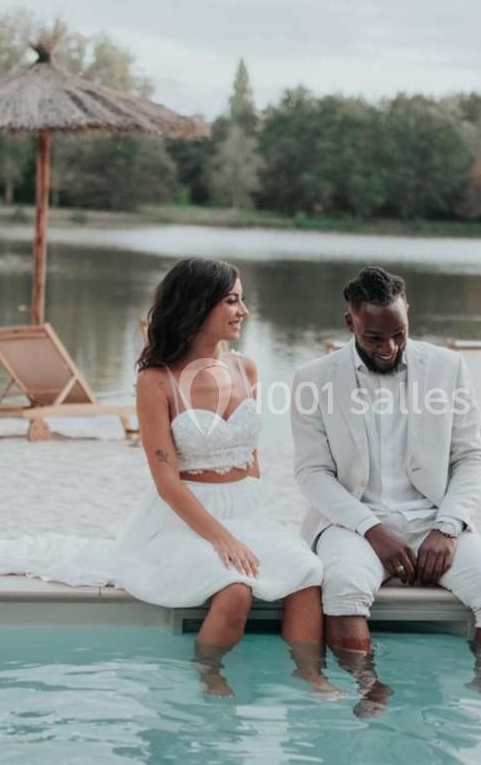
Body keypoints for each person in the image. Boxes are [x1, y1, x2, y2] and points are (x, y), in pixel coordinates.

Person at [291, 265, 481, 715]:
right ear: (350, 324)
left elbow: (472, 458)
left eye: (399, 334)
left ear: (408, 316)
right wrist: (371, 528)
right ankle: (367, 684)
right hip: (352, 521)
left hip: (432, 517)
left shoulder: (448, 367)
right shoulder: (312, 379)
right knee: (342, 588)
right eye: (374, 338)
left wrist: (449, 525)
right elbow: (312, 473)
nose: (390, 348)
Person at [121, 257, 330, 697]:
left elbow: (250, 453)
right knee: (235, 590)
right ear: (198, 306)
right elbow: (166, 482)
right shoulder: (156, 381)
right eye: (232, 301)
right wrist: (221, 537)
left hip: (248, 509)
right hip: (184, 516)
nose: (244, 310)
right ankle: (209, 671)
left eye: (242, 300)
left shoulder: (245, 369)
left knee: (307, 571)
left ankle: (307, 672)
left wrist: (257, 517)